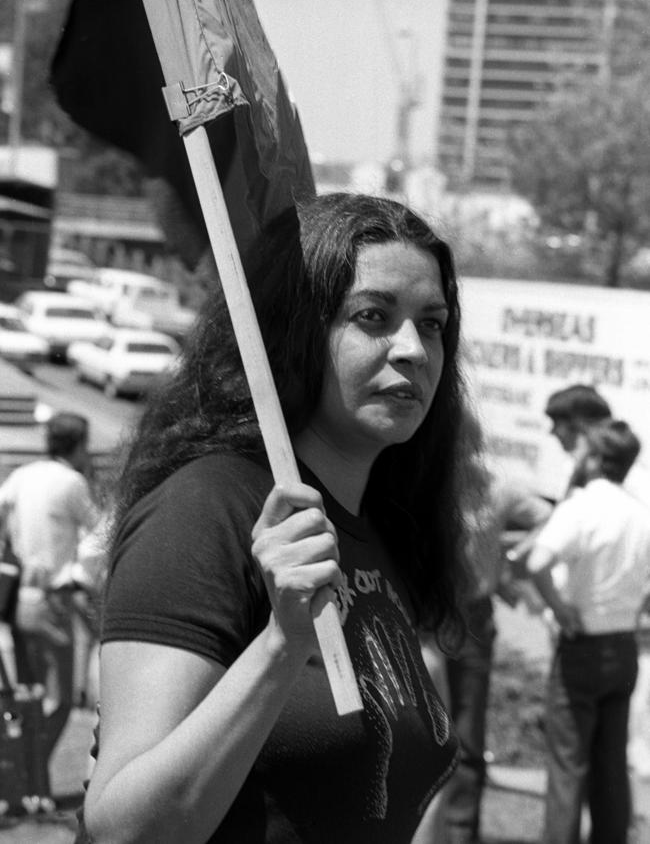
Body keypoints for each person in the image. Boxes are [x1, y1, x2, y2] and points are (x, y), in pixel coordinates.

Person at [78, 193, 473, 844]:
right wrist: (281, 643)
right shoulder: (206, 509)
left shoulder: (381, 524)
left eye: (432, 323)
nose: (413, 348)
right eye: (372, 316)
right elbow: (128, 828)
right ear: (295, 330)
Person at [526, 419, 650, 844]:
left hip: (582, 644)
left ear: (596, 458)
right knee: (611, 762)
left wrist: (560, 610)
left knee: (568, 764)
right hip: (623, 644)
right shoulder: (640, 511)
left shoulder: (581, 505)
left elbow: (538, 562)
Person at [438, 415, 553, 844]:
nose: (461, 450)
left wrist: (509, 559)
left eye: (465, 442)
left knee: (466, 737)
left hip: (472, 618)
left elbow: (552, 519)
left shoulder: (496, 489)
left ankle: (461, 833)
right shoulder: (426, 481)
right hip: (423, 612)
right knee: (414, 729)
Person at [0, 412, 100, 761]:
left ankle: (18, 769)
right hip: (54, 600)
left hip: (19, 598)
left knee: (31, 692)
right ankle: (26, 770)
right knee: (60, 699)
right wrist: (79, 577)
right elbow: (99, 533)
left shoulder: (22, 475)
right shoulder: (71, 482)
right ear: (79, 445)